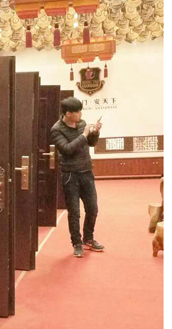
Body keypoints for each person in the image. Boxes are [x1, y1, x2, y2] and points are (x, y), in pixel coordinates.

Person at [50, 97, 104, 258]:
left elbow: (91, 143)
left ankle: (88, 238)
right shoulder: (57, 129)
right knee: (74, 212)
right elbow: (67, 149)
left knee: (93, 209)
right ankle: (77, 243)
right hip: (70, 175)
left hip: (86, 172)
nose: (81, 114)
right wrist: (84, 135)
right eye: (78, 112)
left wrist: (95, 133)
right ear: (68, 113)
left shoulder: (82, 123)